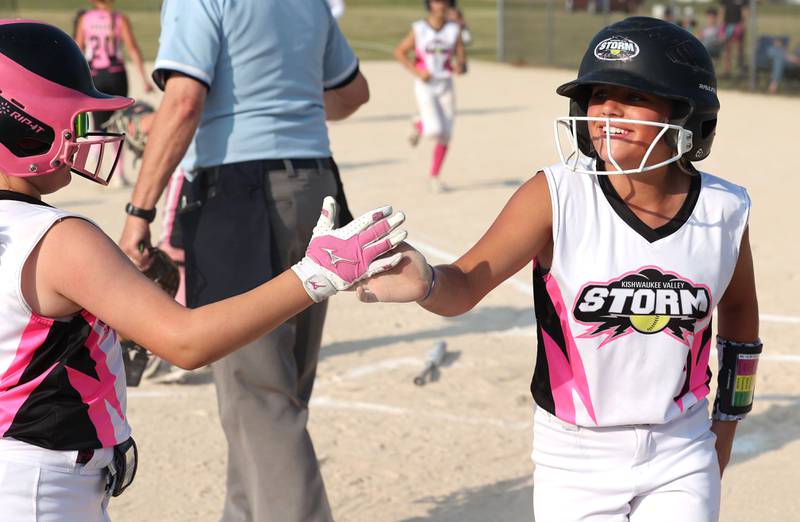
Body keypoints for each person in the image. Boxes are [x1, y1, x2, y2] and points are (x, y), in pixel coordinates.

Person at [0, 20, 405, 521]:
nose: (88, 133)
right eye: (73, 119)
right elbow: (186, 342)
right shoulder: (63, 239)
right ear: (22, 123)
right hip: (40, 492)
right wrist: (314, 275)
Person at [360, 17, 760, 521]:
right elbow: (465, 284)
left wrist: (723, 429)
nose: (607, 109)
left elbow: (741, 315)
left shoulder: (724, 210)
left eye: (632, 95)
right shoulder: (555, 196)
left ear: (686, 113)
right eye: (597, 94)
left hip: (682, 447)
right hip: (575, 458)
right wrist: (428, 283)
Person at [117, 1, 371, 520]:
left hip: (239, 191)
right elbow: (352, 94)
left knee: (257, 396)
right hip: (314, 184)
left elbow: (184, 101)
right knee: (275, 397)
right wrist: (282, 98)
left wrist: (138, 211)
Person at [74, 0, 152, 186]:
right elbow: (132, 48)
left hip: (94, 75)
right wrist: (144, 78)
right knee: (118, 125)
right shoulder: (119, 19)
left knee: (97, 122)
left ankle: (93, 152)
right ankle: (118, 174)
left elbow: (78, 48)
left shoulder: (85, 19)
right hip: (116, 74)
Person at [394, 0, 466, 193]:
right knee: (434, 130)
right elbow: (400, 52)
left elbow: (460, 55)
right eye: (436, 1)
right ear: (429, 5)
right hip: (426, 84)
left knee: (446, 135)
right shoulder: (419, 29)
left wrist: (460, 65)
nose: (440, 5)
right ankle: (419, 123)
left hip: (445, 84)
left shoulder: (453, 29)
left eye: (444, 2)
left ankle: (434, 176)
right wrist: (418, 72)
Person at [719, 0, 747, 78]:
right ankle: (727, 71)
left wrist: (743, 25)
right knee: (727, 50)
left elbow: (744, 12)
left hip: (738, 25)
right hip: (727, 25)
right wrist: (721, 29)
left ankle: (740, 71)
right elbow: (722, 11)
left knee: (739, 49)